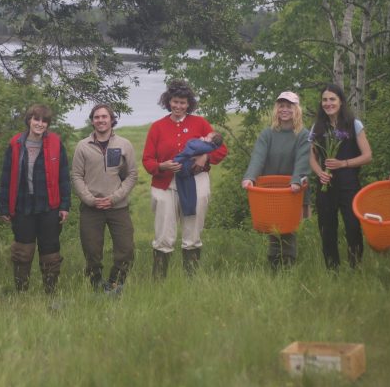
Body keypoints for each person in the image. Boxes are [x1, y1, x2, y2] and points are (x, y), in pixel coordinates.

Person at [142, 80, 228, 278]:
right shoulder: (157, 127)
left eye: (182, 102)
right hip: (165, 183)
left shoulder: (200, 123)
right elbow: (147, 160)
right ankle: (159, 282)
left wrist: (205, 156)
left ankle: (192, 280)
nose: (178, 106)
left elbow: (221, 149)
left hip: (196, 182)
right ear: (168, 101)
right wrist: (162, 166)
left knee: (192, 232)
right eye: (175, 102)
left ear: (189, 104)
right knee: (164, 234)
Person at [0, 104, 71, 294]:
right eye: (36, 119)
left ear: (47, 124)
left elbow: (64, 177)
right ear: (29, 120)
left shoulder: (56, 143)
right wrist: (4, 207)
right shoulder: (15, 144)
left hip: (49, 207)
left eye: (44, 121)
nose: (40, 124)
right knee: (22, 251)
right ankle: (21, 291)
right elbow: (6, 176)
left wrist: (65, 206)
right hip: (22, 206)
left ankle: (50, 290)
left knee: (50, 250)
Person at [71, 104, 138, 292]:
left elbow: (132, 175)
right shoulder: (82, 146)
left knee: (126, 249)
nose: (100, 120)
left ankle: (115, 283)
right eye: (97, 117)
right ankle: (96, 283)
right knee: (92, 251)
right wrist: (90, 199)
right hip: (91, 207)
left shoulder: (124, 144)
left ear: (111, 119)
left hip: (118, 207)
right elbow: (76, 176)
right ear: (92, 120)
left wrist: (115, 197)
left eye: (104, 116)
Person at [241, 91, 311, 270]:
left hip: (293, 189)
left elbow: (303, 159)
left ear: (296, 109)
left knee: (289, 228)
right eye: (281, 106)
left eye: (289, 106)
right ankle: (274, 264)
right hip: (271, 190)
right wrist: (250, 177)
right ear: (276, 109)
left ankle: (288, 264)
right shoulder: (268, 133)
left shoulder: (303, 135)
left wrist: (296, 180)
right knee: (274, 227)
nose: (285, 110)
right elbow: (258, 157)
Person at [309, 84, 373, 270]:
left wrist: (343, 164)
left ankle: (355, 266)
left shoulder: (354, 124)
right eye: (325, 100)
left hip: (349, 183)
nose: (328, 103)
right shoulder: (318, 126)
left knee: (353, 226)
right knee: (327, 229)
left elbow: (368, 156)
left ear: (341, 102)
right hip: (326, 185)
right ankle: (332, 269)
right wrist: (319, 172)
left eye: (332, 99)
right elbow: (311, 156)